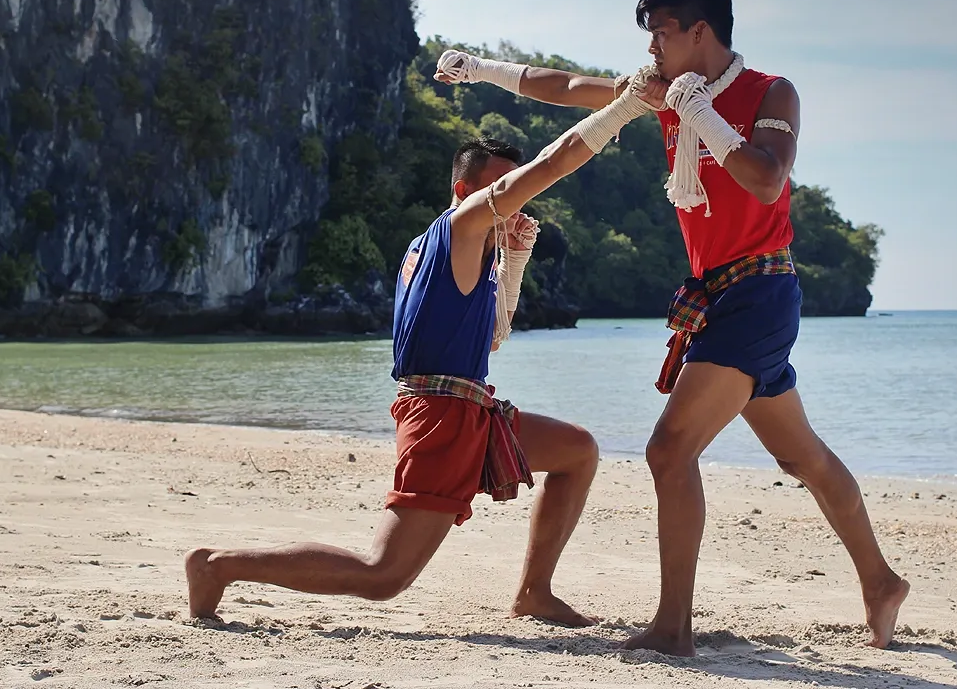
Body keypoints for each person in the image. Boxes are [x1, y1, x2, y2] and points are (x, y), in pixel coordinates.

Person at [434, 0, 909, 654]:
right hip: (716, 297)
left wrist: (699, 111)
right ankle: (881, 581)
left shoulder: (769, 93)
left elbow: (767, 179)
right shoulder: (658, 92)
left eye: (661, 33)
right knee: (804, 456)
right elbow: (566, 88)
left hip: (761, 292)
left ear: (700, 31)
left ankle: (673, 627)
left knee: (668, 449)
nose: (651, 49)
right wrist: (481, 67)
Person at [184, 79, 657, 626]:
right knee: (382, 575)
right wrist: (626, 107)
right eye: (503, 188)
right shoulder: (458, 227)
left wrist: (517, 259)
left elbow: (493, 336)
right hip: (439, 416)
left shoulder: (463, 251)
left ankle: (534, 592)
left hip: (468, 406)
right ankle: (215, 566)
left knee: (576, 450)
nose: (515, 198)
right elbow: (553, 162)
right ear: (465, 192)